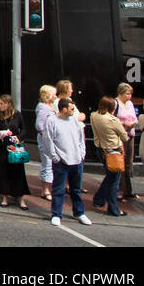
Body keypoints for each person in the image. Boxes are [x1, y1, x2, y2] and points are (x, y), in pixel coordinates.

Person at [46, 97, 93, 226]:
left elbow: (80, 138)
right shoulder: (52, 121)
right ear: (64, 109)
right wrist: (55, 157)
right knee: (58, 189)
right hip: (61, 161)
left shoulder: (74, 121)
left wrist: (82, 154)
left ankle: (79, 212)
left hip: (77, 160)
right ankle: (56, 214)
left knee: (76, 189)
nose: (74, 111)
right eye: (72, 108)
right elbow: (48, 140)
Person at [90, 96, 129, 216]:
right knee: (114, 181)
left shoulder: (93, 115)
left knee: (109, 177)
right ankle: (113, 209)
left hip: (101, 149)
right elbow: (125, 137)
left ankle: (98, 199)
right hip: (113, 151)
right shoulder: (113, 120)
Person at [0, 94, 31, 207]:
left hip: (15, 147)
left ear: (8, 104)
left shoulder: (17, 115)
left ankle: (21, 198)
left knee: (18, 172)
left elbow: (23, 129)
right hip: (3, 147)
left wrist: (19, 138)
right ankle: (5, 197)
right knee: (3, 171)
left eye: (2, 103)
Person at [115, 83, 139, 201]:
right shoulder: (116, 103)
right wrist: (124, 124)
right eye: (127, 94)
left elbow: (135, 117)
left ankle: (128, 190)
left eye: (130, 94)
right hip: (120, 135)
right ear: (121, 93)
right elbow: (112, 120)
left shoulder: (130, 103)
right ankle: (120, 190)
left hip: (130, 135)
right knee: (120, 162)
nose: (129, 96)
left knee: (129, 162)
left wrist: (134, 122)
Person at [36, 85, 59, 201]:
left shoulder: (50, 106)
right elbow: (39, 126)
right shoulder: (43, 108)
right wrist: (47, 138)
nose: (55, 96)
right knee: (47, 164)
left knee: (50, 164)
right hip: (46, 140)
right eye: (53, 94)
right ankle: (45, 190)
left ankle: (46, 189)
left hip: (52, 140)